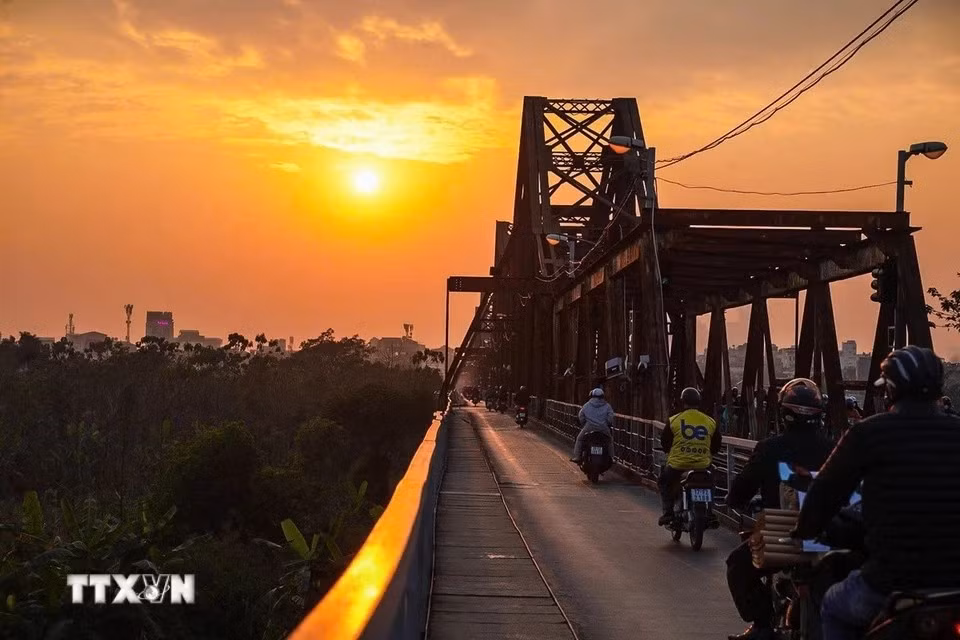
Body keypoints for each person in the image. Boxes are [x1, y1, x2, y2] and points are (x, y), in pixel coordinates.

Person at [792, 345, 960, 640]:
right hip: (954, 586)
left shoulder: (868, 433)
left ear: (891, 390)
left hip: (891, 580)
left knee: (833, 605)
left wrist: (806, 528)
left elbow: (825, 492)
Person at [724, 378, 835, 640]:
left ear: (784, 413)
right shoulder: (834, 449)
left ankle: (762, 625)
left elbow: (742, 488)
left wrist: (735, 501)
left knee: (737, 566)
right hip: (829, 535)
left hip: (782, 535)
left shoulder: (770, 449)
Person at [657, 387, 721, 526]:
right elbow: (716, 446)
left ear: (683, 402)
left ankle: (668, 513)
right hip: (702, 465)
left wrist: (671, 452)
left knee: (664, 482)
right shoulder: (710, 421)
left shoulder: (674, 420)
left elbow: (665, 442)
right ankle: (709, 511)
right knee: (711, 481)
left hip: (678, 465)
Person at [571, 388, 615, 462]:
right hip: (603, 428)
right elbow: (610, 418)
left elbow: (581, 416)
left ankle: (577, 457)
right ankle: (612, 458)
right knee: (609, 441)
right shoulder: (607, 406)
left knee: (579, 439)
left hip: (589, 427)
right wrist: (607, 423)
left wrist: (583, 423)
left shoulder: (586, 405)